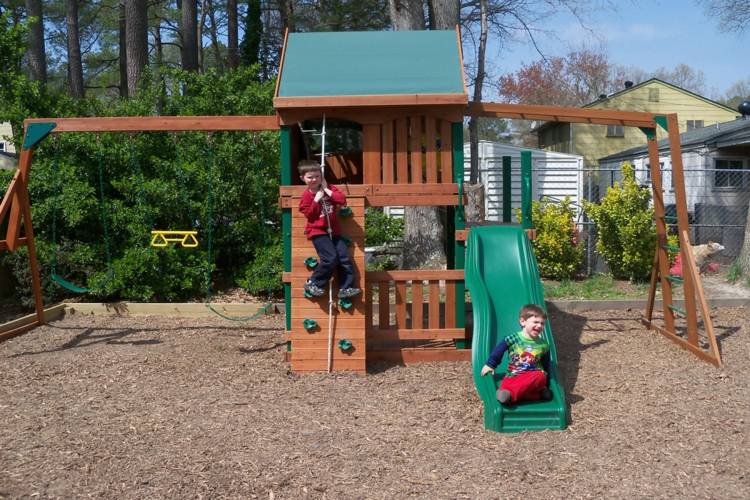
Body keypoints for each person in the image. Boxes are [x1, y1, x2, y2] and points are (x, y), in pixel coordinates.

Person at [298, 160, 361, 299]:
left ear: (322, 177)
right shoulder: (306, 196)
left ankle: (346, 288)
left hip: (334, 231)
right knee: (330, 258)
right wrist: (316, 200)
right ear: (303, 178)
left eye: (317, 176)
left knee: (344, 258)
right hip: (318, 232)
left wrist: (326, 190)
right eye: (310, 177)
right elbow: (310, 215)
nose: (314, 179)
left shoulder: (329, 188)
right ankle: (313, 283)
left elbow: (341, 200)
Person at [480, 303, 553, 404]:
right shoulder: (513, 339)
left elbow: (546, 364)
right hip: (515, 374)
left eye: (542, 323)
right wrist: (490, 364)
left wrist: (547, 383)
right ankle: (533, 395)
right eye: (536, 322)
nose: (539, 325)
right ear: (523, 321)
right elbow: (498, 351)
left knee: (540, 375)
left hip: (533, 375)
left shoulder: (544, 345)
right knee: (508, 381)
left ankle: (511, 395)